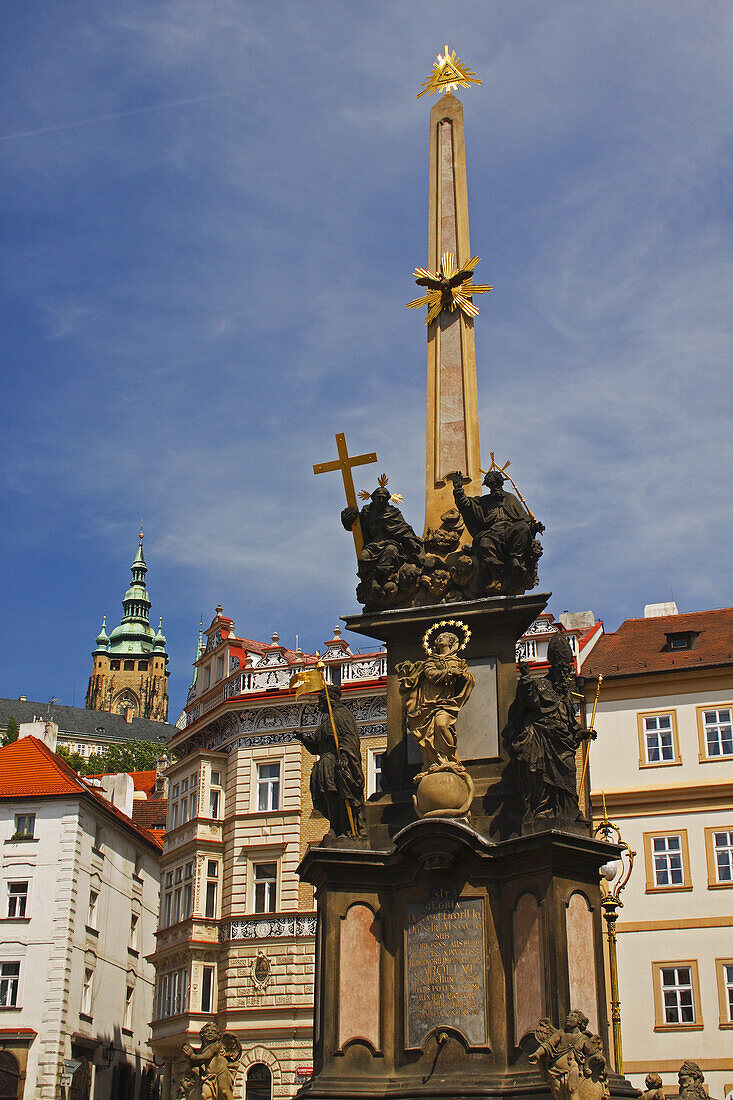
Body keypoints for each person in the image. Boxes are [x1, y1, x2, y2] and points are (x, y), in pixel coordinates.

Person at [502, 632, 595, 826]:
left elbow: (570, 722)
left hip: (562, 743)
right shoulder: (542, 685)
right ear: (553, 668)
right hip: (543, 740)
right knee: (542, 777)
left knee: (569, 771)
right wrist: (526, 677)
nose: (564, 675)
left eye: (566, 670)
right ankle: (544, 810)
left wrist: (582, 732)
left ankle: (571, 811)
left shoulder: (566, 695)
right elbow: (530, 699)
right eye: (561, 670)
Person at [448, 469, 542, 591]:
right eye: (491, 486)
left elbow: (525, 520)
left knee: (522, 528)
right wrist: (459, 490)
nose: (494, 488)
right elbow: (466, 505)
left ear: (501, 483)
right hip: (494, 532)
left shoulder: (511, 498)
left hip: (511, 530)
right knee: (484, 542)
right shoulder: (484, 501)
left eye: (496, 484)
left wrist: (535, 526)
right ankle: (497, 576)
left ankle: (515, 560)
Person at [397, 632, 475, 772]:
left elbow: (465, 679)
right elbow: (430, 673)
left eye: (444, 637)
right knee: (428, 734)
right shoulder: (431, 660)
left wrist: (464, 676)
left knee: (441, 725)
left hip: (446, 701)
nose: (439, 638)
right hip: (429, 700)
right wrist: (449, 672)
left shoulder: (458, 661)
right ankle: (435, 760)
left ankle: (452, 759)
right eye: (439, 637)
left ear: (452, 642)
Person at [296, 685, 366, 838]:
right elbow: (316, 748)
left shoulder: (341, 715)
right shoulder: (327, 721)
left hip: (337, 763)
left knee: (338, 794)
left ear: (328, 700)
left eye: (320, 700)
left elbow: (349, 740)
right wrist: (304, 739)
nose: (318, 704)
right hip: (325, 764)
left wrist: (345, 758)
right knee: (329, 795)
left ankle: (345, 828)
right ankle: (335, 827)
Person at [342, 486, 423, 607]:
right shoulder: (367, 512)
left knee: (391, 551)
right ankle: (369, 582)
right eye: (378, 498)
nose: (380, 501)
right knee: (362, 558)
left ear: (388, 499)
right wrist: (347, 519)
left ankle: (375, 579)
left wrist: (411, 541)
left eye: (383, 499)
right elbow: (355, 527)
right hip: (373, 545)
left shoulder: (393, 512)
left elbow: (403, 528)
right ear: (373, 498)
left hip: (390, 543)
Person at [529, 1010, 607, 1100]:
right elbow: (548, 1044)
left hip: (572, 1068)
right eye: (568, 1016)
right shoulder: (561, 1033)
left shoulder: (583, 1039)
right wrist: (537, 1053)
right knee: (558, 1092)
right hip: (556, 1071)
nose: (568, 1018)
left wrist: (592, 1063)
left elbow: (592, 1054)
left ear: (579, 1021)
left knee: (572, 1088)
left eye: (572, 1016)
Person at [181, 1023, 241, 1100]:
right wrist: (190, 1058)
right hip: (208, 1077)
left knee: (225, 1092)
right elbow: (199, 1062)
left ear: (218, 1036)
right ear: (202, 1035)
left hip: (221, 1074)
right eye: (207, 1031)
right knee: (204, 1095)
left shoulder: (215, 1046)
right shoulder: (203, 1049)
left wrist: (192, 1055)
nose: (210, 1033)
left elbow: (205, 1056)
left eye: (213, 1031)